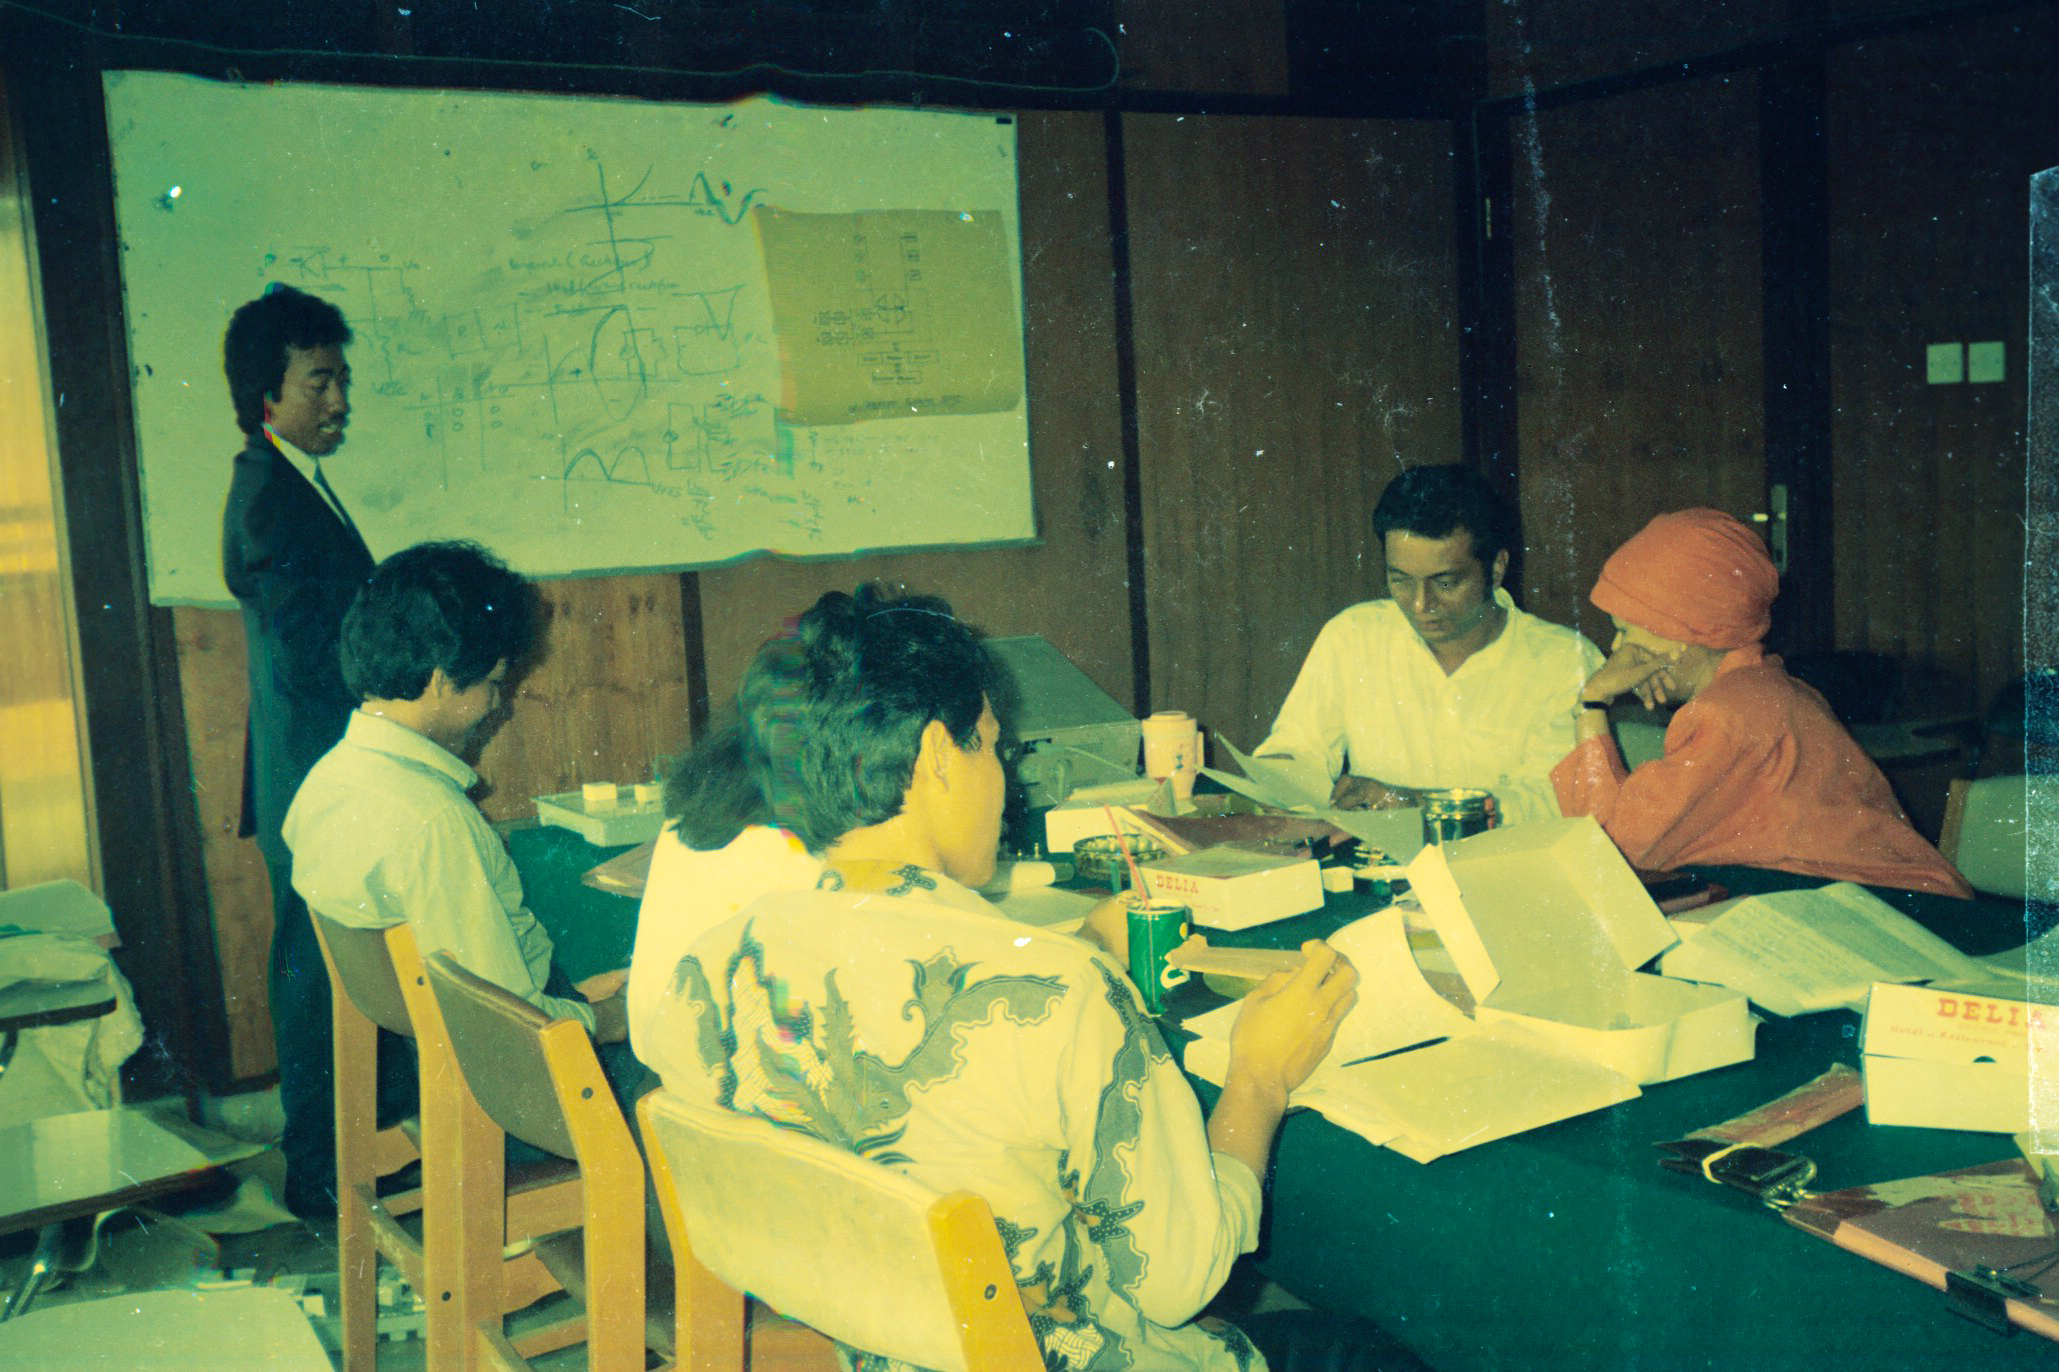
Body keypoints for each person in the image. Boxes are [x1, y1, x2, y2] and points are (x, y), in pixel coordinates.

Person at [647, 585, 1430, 1372]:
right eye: (991, 747)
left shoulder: (711, 966)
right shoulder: (1067, 990)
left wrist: (1074, 948)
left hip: (875, 1348)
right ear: (936, 756)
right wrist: (1260, 1076)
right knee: (1376, 1350)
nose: (1004, 783)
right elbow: (1180, 1283)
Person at [283, 541, 645, 1121]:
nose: (498, 705)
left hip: (446, 1057)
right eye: (492, 683)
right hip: (521, 1095)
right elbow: (513, 1024)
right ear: (439, 680)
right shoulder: (433, 819)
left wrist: (581, 1000)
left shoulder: (328, 779)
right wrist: (615, 1018)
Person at [1553, 508, 1973, 898]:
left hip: (1899, 912)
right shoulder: (1763, 685)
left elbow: (1611, 848)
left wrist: (1591, 705)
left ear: (1681, 635)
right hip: (1868, 900)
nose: (1616, 648)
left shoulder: (1723, 716)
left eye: (1626, 631)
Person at [221, 284, 375, 1216]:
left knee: (329, 966)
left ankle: (345, 1162)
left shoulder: (288, 482)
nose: (339, 400)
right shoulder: (273, 502)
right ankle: (320, 1175)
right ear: (266, 394)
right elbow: (309, 658)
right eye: (320, 382)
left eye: (341, 380)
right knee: (318, 974)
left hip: (312, 768)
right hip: (316, 774)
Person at [1258, 463, 1601, 823]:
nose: (1421, 604)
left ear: (1497, 568)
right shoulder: (1354, 636)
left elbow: (1558, 802)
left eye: (1445, 583)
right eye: (1401, 580)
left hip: (1511, 857)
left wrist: (1419, 804)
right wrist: (1280, 780)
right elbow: (1297, 748)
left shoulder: (1564, 661)